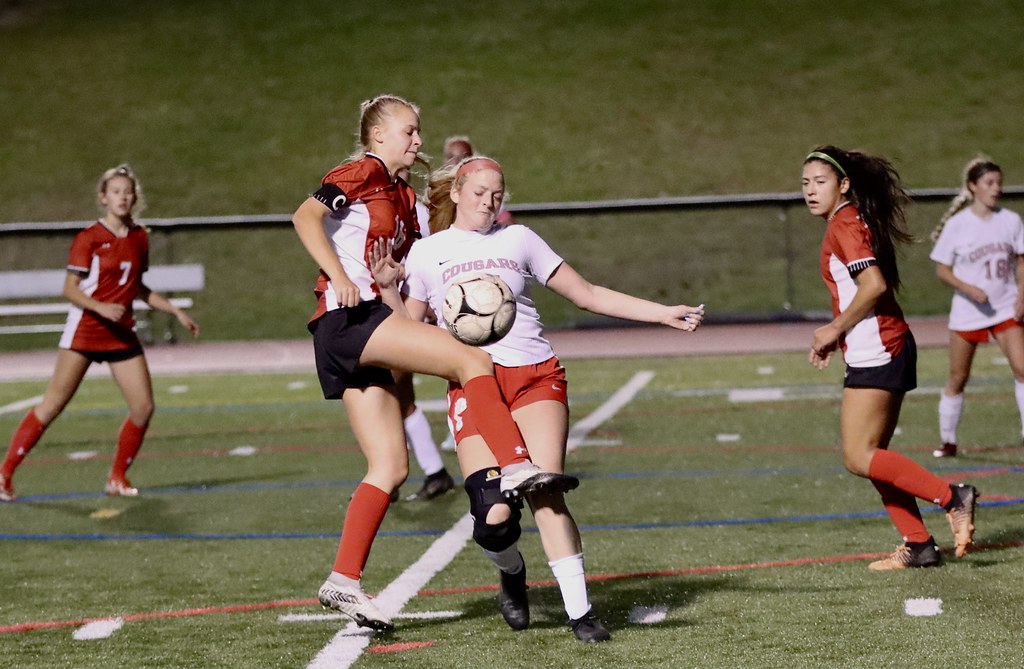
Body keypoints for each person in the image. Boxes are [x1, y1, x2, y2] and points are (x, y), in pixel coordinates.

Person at [369, 155, 704, 642]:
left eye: (498, 194)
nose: (489, 201)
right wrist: (385, 289)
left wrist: (661, 314)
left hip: (534, 377)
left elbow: (586, 293)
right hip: (472, 384)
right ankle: (511, 571)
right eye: (480, 192)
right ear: (457, 192)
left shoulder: (519, 239)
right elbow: (410, 329)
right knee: (493, 517)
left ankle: (581, 613)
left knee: (545, 492)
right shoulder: (427, 252)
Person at [289, 95, 576, 632]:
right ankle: (516, 463)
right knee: (469, 359)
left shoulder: (404, 198)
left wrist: (396, 274)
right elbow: (304, 219)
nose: (417, 141)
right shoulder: (361, 170)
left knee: (391, 467)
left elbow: (419, 256)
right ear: (377, 137)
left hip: (365, 325)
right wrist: (343, 276)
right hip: (348, 319)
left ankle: (343, 581)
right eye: (408, 132)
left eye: (418, 132)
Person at [802, 146, 979, 570]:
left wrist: (834, 329)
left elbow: (873, 285)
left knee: (858, 456)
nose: (810, 190)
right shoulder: (844, 221)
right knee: (873, 454)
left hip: (879, 347)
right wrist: (836, 337)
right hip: (878, 346)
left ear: (843, 185)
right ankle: (918, 545)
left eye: (820, 182)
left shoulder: (844, 222)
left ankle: (953, 496)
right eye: (805, 183)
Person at [1, 164, 200, 502]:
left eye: (128, 191)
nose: (123, 197)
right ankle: (5, 473)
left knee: (143, 406)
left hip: (121, 334)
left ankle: (117, 477)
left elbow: (137, 287)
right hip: (87, 330)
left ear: (134, 197)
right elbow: (70, 288)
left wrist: (175, 310)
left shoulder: (139, 237)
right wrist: (100, 307)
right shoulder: (89, 238)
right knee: (52, 405)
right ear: (103, 198)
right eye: (116, 192)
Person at [928, 157, 1024, 458]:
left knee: (1022, 369)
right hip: (969, 312)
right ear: (973, 187)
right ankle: (948, 441)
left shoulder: (1011, 220)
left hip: (1006, 307)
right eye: (989, 183)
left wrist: (1022, 295)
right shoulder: (958, 225)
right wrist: (968, 288)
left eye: (999, 182)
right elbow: (942, 270)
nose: (996, 189)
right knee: (958, 377)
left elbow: (1021, 261)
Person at [442, 135, 516, 226]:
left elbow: (506, 219)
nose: (458, 162)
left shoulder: (486, 188)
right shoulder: (438, 191)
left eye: (464, 157)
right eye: (454, 158)